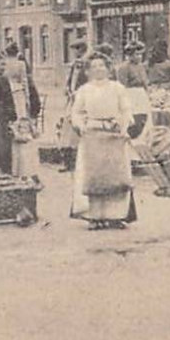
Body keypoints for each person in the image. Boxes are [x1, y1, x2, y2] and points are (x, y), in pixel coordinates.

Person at [70, 51, 136, 230]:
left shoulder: (117, 88)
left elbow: (126, 110)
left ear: (108, 68)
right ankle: (95, 217)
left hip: (114, 134)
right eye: (94, 66)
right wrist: (81, 126)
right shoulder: (84, 90)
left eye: (102, 65)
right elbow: (76, 112)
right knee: (94, 176)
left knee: (116, 176)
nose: (98, 69)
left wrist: (123, 125)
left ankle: (116, 215)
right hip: (92, 134)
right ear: (88, 71)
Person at [4, 44, 40, 178]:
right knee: (22, 122)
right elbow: (24, 82)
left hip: (8, 94)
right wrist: (27, 100)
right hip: (18, 93)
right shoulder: (20, 64)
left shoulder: (5, 64)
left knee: (13, 124)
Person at [59, 39, 88, 172]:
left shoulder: (87, 66)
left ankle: (79, 162)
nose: (75, 53)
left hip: (82, 102)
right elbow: (70, 81)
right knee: (67, 131)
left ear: (82, 50)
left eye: (77, 50)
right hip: (71, 101)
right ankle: (68, 162)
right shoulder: (73, 66)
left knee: (78, 131)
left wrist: (79, 94)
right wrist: (67, 89)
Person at [116, 42, 151, 141]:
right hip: (130, 94)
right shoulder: (123, 67)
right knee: (132, 119)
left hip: (141, 94)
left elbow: (145, 82)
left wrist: (147, 93)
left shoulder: (141, 66)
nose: (139, 57)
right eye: (136, 54)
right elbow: (122, 86)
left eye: (140, 54)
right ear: (129, 55)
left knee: (143, 117)